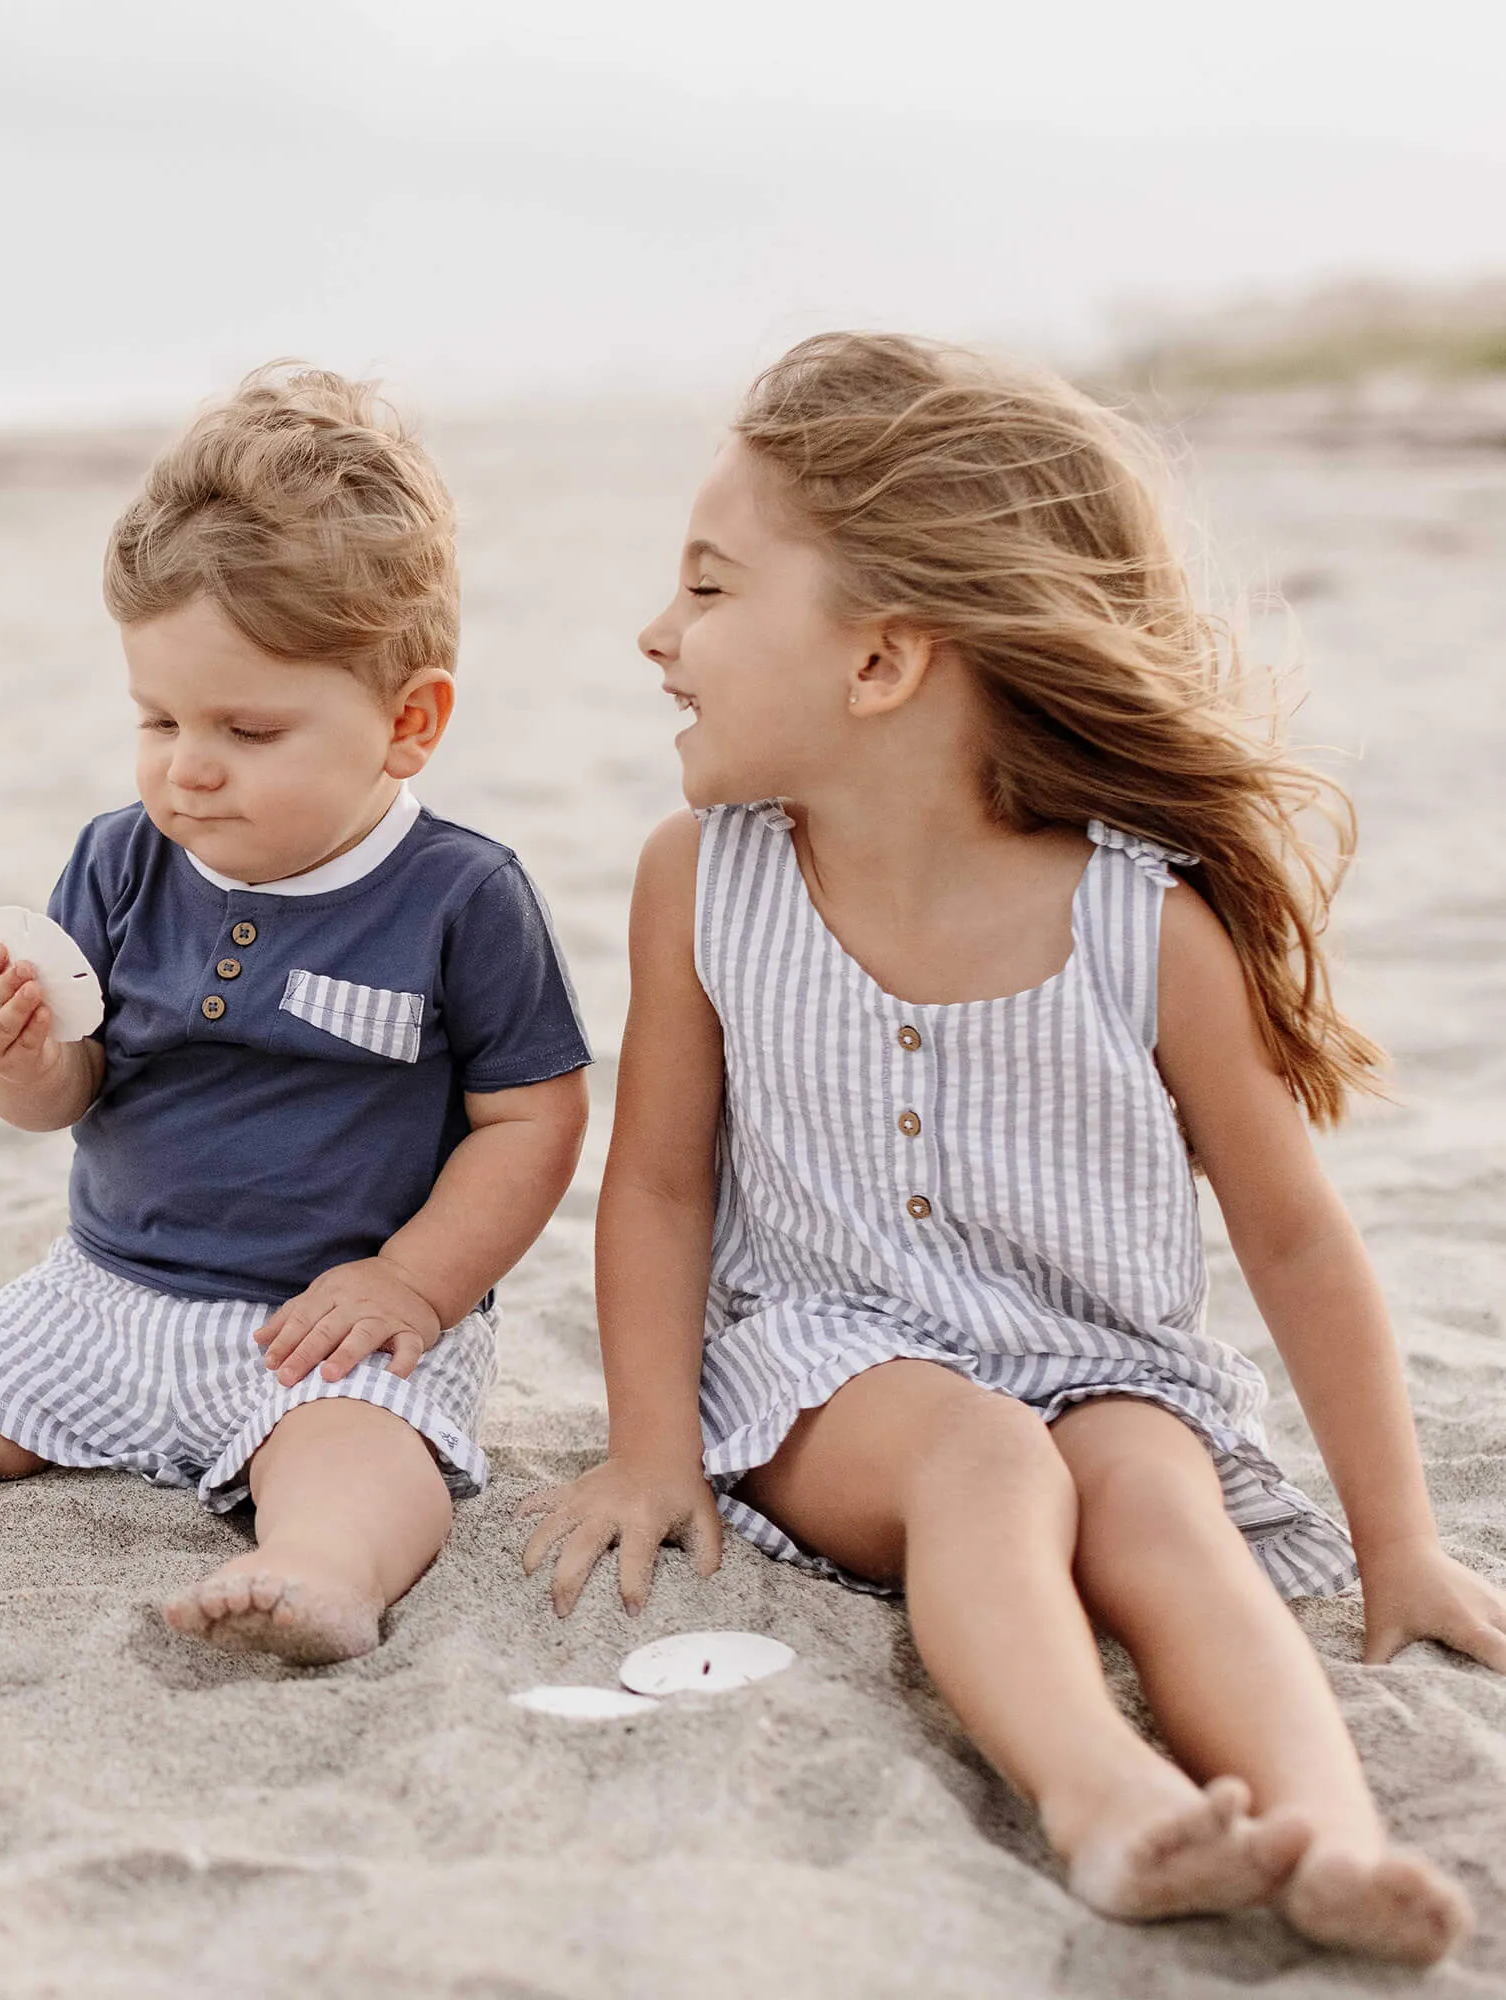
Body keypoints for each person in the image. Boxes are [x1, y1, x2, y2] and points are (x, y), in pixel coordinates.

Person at [521, 332, 1503, 1964]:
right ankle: (1101, 1796)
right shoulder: (704, 879)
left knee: (1154, 1501)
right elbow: (661, 1179)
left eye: (707, 590)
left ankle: (1328, 1835)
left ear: (884, 662)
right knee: (984, 1457)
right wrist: (647, 1445)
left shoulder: (1146, 927)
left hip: (1101, 1362)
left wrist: (1395, 1534)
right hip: (831, 1377)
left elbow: (1297, 1239)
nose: (657, 632)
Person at [0, 366, 590, 1666]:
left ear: (409, 724)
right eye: (158, 717)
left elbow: (534, 1117)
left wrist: (415, 1279)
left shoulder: (459, 895)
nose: (188, 762)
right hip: (102, 1293)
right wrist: (21, 1061)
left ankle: (313, 1571)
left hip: (323, 1325)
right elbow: (64, 1096)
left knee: (357, 1455)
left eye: (248, 726)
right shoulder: (124, 861)